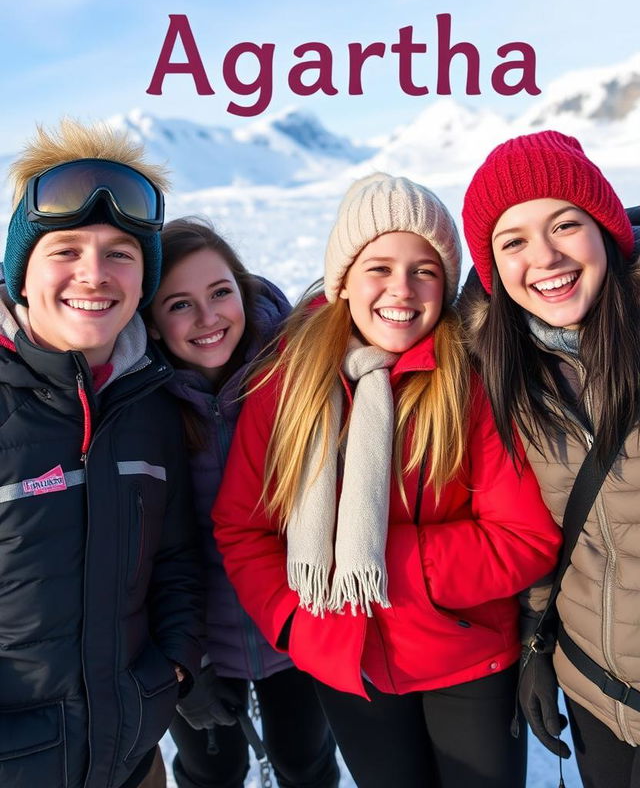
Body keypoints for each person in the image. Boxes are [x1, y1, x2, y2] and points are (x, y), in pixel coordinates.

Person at [212, 173, 561, 788]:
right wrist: (295, 622)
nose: (401, 289)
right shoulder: (288, 386)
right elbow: (244, 527)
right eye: (378, 267)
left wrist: (376, 559)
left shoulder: (470, 382)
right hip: (346, 660)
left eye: (424, 270)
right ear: (343, 279)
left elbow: (523, 537)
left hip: (467, 660)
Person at [0, 121, 202, 788]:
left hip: (133, 756)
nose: (94, 274)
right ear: (21, 275)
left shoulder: (149, 404)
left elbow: (174, 552)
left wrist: (172, 662)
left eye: (121, 252)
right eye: (65, 250)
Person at [461, 129, 640, 788]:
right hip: (598, 698)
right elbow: (544, 528)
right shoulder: (509, 375)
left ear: (606, 229)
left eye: (565, 224)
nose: (545, 257)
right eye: (513, 241)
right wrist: (537, 638)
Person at [146, 217, 339, 788]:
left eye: (220, 293)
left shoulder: (297, 373)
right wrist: (180, 663)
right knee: (213, 771)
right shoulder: (141, 407)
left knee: (305, 761)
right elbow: (140, 547)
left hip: (296, 631)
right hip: (195, 644)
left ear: (244, 290)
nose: (208, 319)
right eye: (179, 304)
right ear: (152, 324)